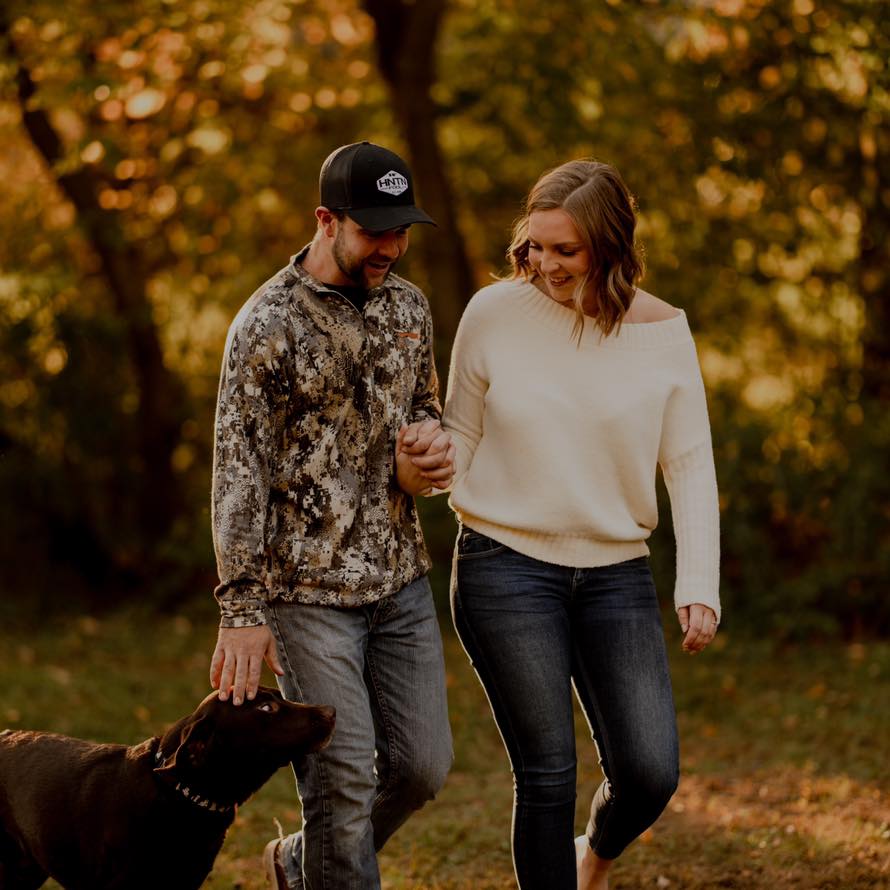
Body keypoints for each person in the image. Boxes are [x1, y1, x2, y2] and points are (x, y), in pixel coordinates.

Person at [441, 159, 721, 890]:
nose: (545, 264)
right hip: (504, 565)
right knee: (547, 773)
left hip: (617, 573)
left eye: (565, 250)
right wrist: (428, 458)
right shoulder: (492, 313)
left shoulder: (663, 334)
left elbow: (689, 462)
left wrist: (698, 583)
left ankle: (590, 858)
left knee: (651, 770)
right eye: (536, 246)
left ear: (610, 246)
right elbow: (458, 436)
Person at [208, 141, 455, 890]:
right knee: (341, 782)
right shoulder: (265, 325)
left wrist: (427, 453)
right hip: (304, 595)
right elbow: (236, 470)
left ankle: (301, 863)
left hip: (399, 580)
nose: (392, 245)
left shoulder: (409, 306)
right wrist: (242, 607)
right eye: (375, 229)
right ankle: (332, 863)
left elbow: (424, 410)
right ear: (326, 219)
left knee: (422, 768)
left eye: (401, 228)